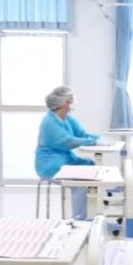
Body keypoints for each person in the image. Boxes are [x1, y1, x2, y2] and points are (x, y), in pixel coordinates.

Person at [35, 86, 99, 220]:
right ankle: (80, 220)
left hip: (65, 160)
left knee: (92, 167)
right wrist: (91, 142)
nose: (73, 101)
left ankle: (93, 214)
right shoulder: (49, 122)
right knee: (82, 182)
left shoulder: (67, 118)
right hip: (51, 165)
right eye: (70, 99)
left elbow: (82, 134)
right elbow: (66, 141)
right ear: (63, 103)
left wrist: (99, 139)